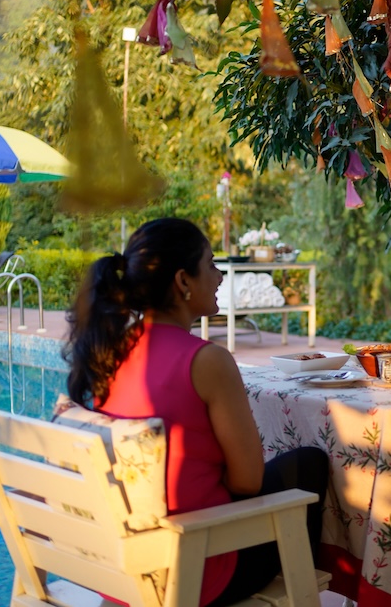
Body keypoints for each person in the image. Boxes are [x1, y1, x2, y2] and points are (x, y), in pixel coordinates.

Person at [64, 218, 329, 607]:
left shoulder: (110, 351)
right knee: (309, 463)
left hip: (124, 567)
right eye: (211, 265)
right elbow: (248, 482)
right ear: (183, 281)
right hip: (194, 571)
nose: (219, 277)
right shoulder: (207, 361)